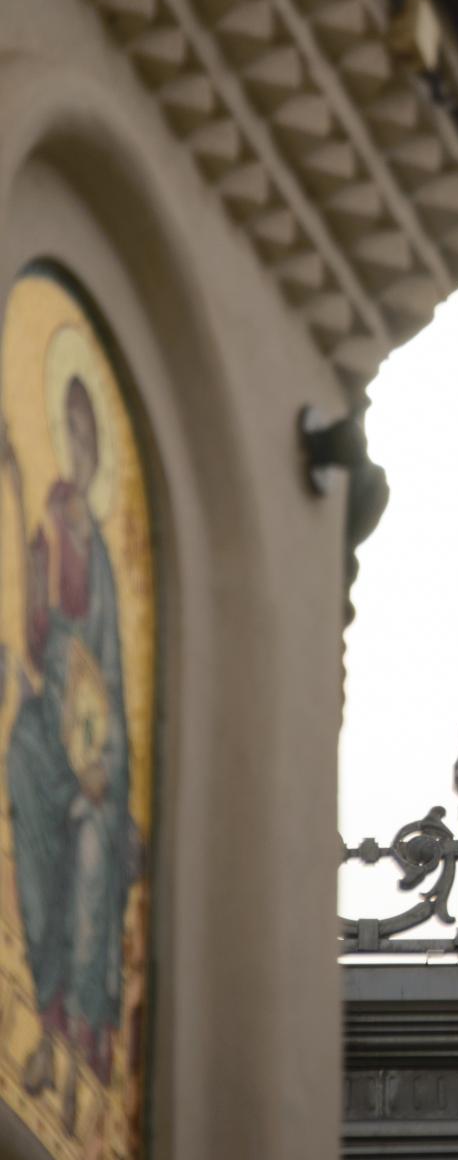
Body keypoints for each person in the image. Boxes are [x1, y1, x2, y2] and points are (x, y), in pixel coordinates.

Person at [3, 373, 137, 1136]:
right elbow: (35, 629)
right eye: (72, 435)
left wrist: (100, 767)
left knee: (94, 841)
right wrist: (20, 492)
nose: (79, 451)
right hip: (52, 721)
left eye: (89, 440)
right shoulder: (52, 517)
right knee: (22, 758)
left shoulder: (112, 569)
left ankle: (82, 1042)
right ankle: (49, 1031)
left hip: (99, 753)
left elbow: (115, 677)